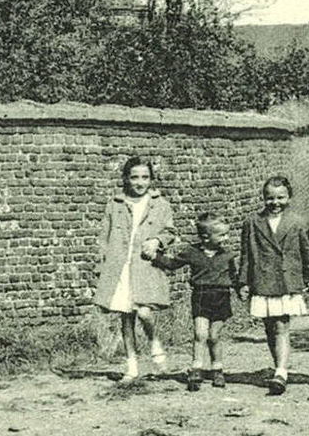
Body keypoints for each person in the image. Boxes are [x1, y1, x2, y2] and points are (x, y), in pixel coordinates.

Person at [93, 155, 175, 382]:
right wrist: (101, 264)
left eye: (145, 177)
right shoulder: (115, 204)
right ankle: (132, 366)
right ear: (127, 179)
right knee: (125, 317)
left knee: (144, 311)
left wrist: (157, 241)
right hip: (120, 265)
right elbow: (104, 236)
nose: (140, 183)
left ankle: (155, 343)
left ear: (151, 179)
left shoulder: (160, 204)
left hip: (144, 265)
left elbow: (170, 232)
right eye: (135, 177)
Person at [239, 174, 309, 396]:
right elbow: (246, 255)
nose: (275, 203)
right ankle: (278, 366)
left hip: (286, 281)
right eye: (270, 198)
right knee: (269, 328)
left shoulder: (298, 222)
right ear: (264, 198)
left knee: (282, 326)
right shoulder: (252, 222)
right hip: (262, 281)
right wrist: (243, 281)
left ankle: (281, 372)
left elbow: (306, 252)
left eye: (281, 198)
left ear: (289, 197)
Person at [152, 215, 240, 391]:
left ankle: (217, 369)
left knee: (214, 336)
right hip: (201, 297)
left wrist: (242, 289)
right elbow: (171, 264)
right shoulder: (191, 252)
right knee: (200, 334)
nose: (226, 239)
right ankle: (196, 368)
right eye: (222, 235)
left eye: (226, 235)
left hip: (221, 297)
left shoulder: (227, 255)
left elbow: (234, 277)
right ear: (206, 237)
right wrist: (155, 256)